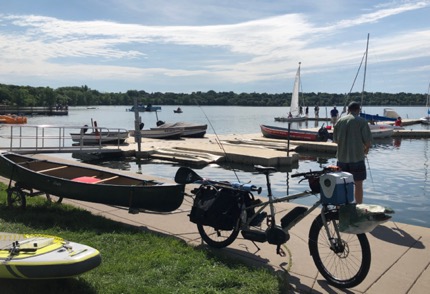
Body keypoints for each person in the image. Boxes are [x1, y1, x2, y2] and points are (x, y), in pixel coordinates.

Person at [333, 102, 372, 204]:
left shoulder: (339, 121)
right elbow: (367, 142)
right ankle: (358, 207)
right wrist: (366, 150)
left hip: (341, 159)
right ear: (358, 110)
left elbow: (336, 141)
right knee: (358, 184)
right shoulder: (362, 121)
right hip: (357, 158)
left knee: (342, 184)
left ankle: (341, 208)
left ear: (348, 110)